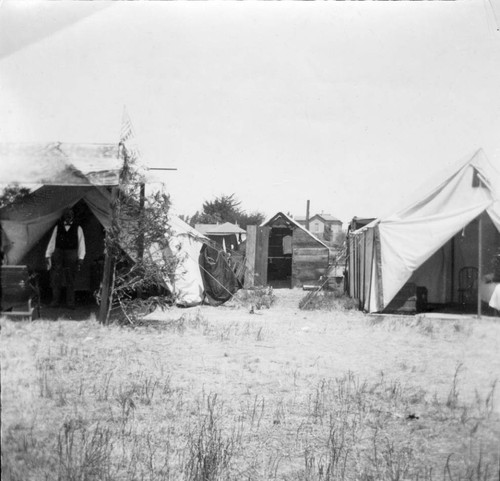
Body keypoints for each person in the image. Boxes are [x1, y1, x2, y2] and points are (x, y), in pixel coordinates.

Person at [45, 208, 86, 309]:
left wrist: (81, 257)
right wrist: (48, 254)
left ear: (73, 216)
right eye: (66, 214)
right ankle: (55, 301)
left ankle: (70, 303)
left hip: (71, 254)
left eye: (70, 214)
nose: (68, 216)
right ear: (63, 216)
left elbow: (81, 243)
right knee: (56, 278)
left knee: (70, 279)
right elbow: (52, 242)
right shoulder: (57, 227)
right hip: (58, 253)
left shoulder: (78, 228)